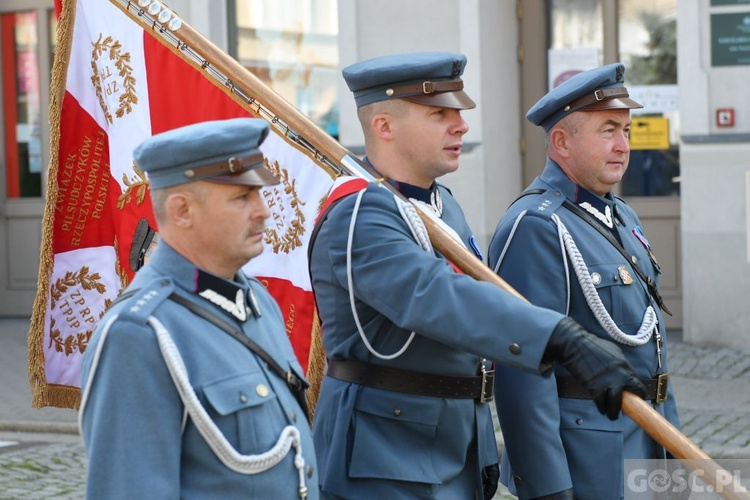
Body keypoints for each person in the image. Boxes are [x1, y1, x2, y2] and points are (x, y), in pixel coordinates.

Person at [309, 52, 646, 500]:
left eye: (459, 113)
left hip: (449, 449)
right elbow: (436, 297)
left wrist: (482, 451)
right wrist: (560, 336)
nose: (462, 125)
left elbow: (468, 357)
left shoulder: (442, 205)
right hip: (385, 458)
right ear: (384, 127)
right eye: (439, 114)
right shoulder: (360, 212)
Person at [79, 118, 318, 499]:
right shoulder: (138, 334)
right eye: (242, 197)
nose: (263, 211)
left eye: (258, 194)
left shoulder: (256, 300)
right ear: (181, 211)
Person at [487, 63, 680, 499]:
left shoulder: (619, 215)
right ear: (561, 142)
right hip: (590, 458)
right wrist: (547, 487)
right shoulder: (535, 226)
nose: (622, 145)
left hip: (650, 441)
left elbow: (654, 353)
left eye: (627, 131)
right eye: (608, 130)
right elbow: (523, 371)